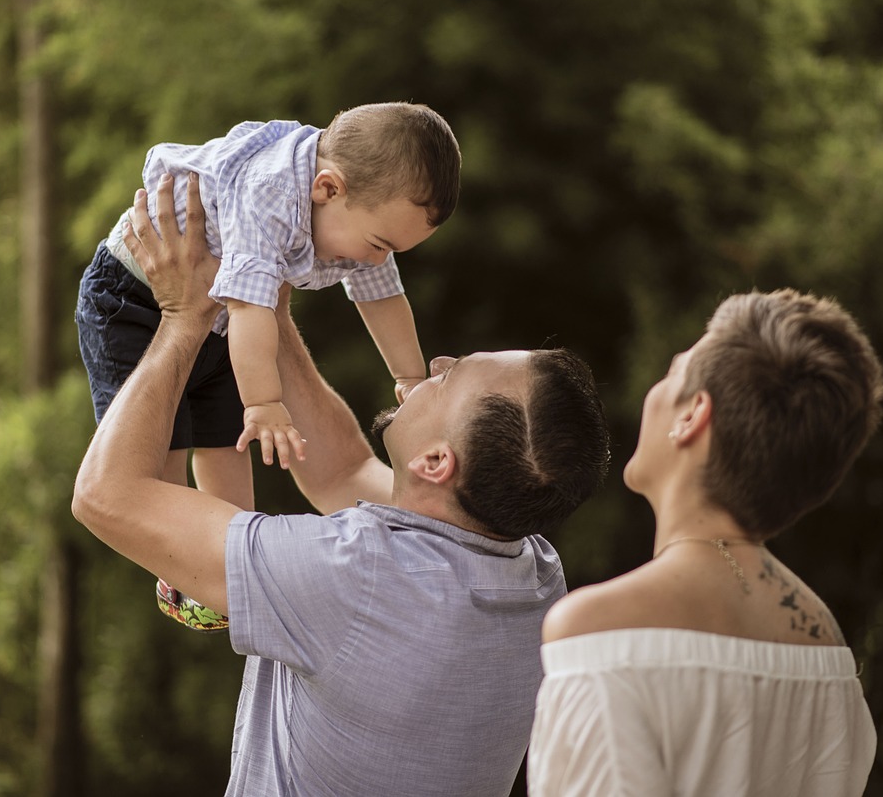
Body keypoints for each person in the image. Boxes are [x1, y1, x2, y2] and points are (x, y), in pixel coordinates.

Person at [72, 173, 612, 796]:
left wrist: (184, 316)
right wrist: (263, 294)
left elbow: (105, 496)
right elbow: (339, 472)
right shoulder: (531, 574)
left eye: (453, 377)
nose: (435, 364)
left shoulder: (355, 578)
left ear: (436, 464)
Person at [75, 101, 460, 629]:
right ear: (327, 188)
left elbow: (383, 296)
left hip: (220, 315)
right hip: (134, 298)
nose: (375, 259)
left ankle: (220, 575)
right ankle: (178, 567)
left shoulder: (361, 211)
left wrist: (410, 377)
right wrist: (264, 401)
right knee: (163, 460)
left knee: (228, 447)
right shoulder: (271, 196)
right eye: (378, 244)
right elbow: (252, 307)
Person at [527, 288, 883, 797]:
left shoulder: (596, 630)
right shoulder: (826, 646)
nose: (653, 391)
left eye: (673, 373)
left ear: (693, 415)